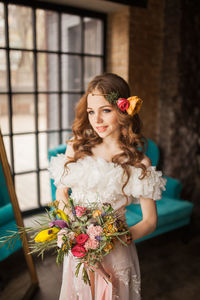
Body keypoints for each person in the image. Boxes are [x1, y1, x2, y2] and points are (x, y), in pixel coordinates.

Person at [49, 73, 166, 300]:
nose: (97, 120)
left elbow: (150, 221)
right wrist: (69, 231)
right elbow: (62, 192)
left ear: (123, 109)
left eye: (106, 110)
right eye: (92, 111)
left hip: (116, 253)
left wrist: (112, 239)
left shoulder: (138, 163)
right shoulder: (76, 147)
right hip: (78, 250)